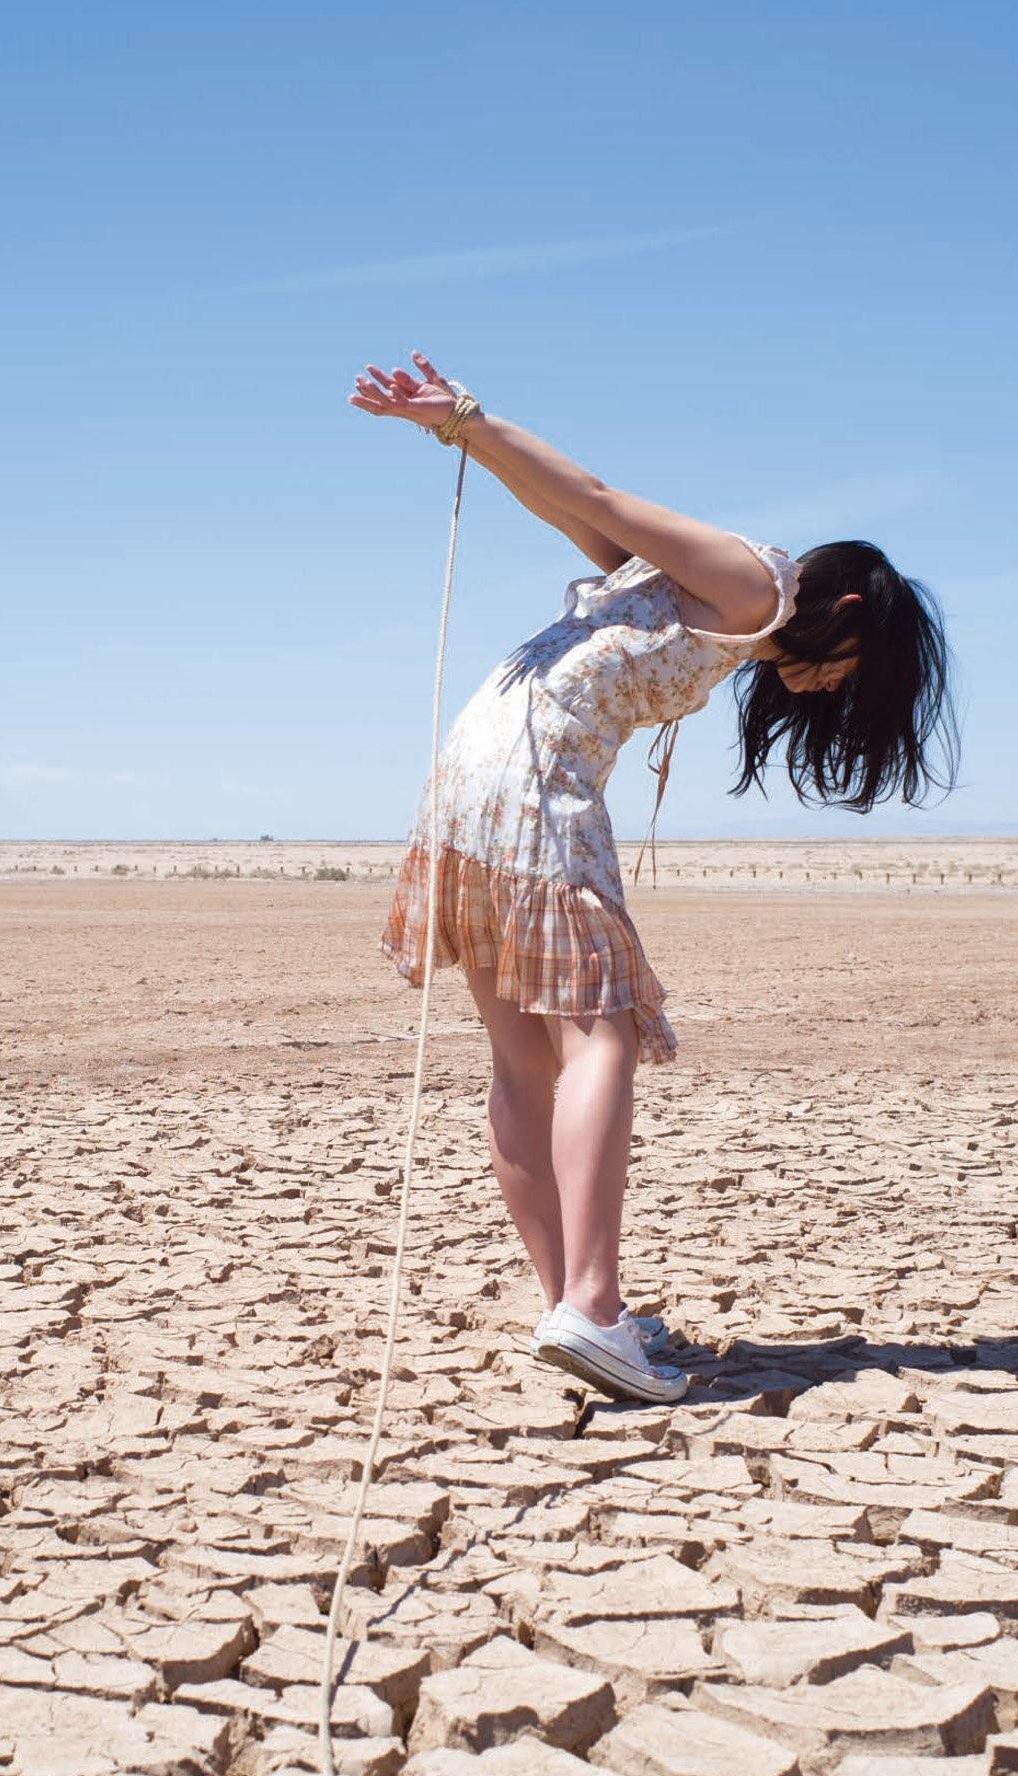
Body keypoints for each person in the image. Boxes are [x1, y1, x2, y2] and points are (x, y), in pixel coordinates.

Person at [349, 352, 958, 1404]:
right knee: (602, 1038)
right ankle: (588, 1306)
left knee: (522, 1060)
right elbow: (589, 494)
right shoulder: (752, 582)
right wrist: (465, 421)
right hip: (535, 782)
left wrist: (465, 436)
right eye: (859, 664)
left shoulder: (692, 595)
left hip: (467, 781)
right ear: (849, 606)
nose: (838, 687)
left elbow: (562, 509)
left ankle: (583, 1317)